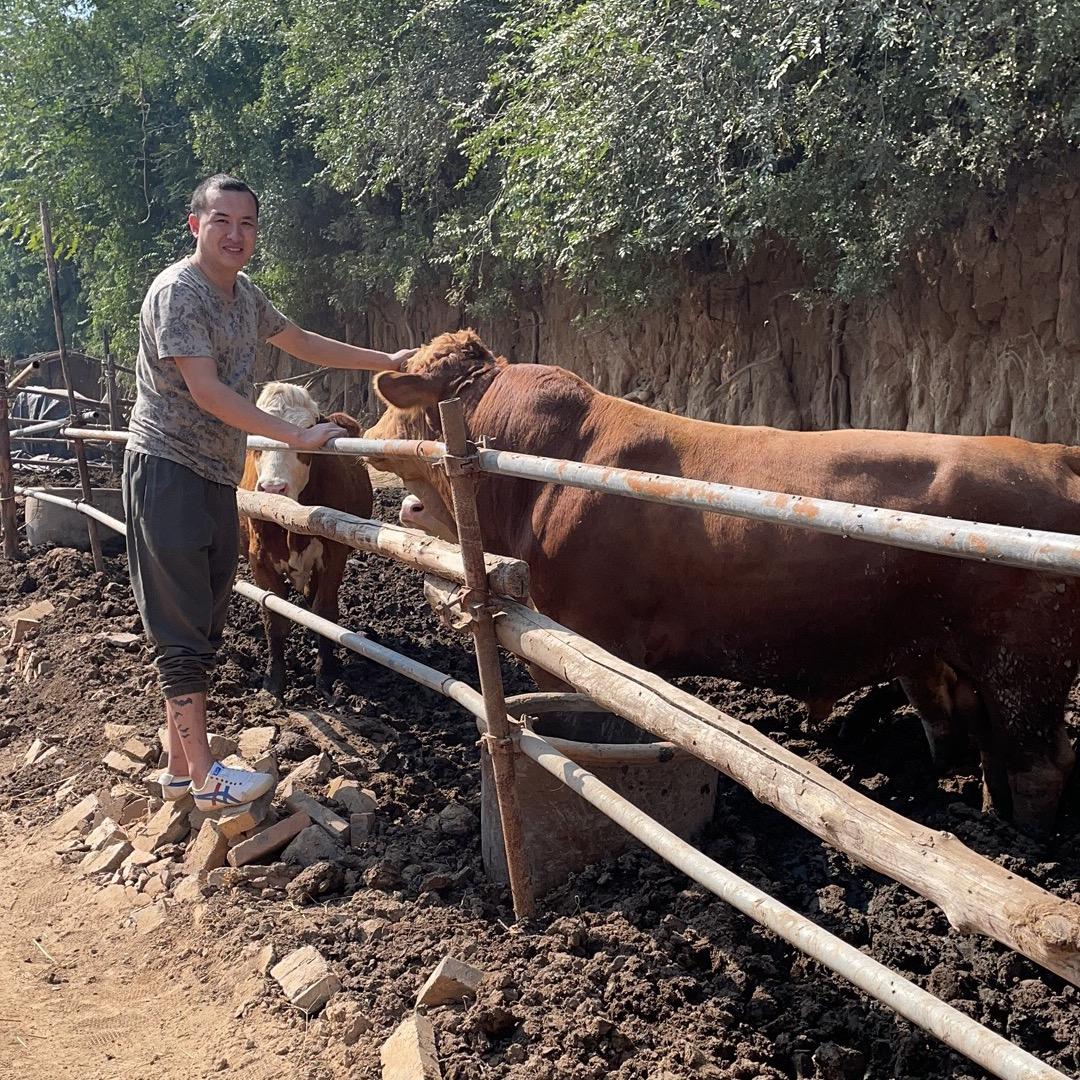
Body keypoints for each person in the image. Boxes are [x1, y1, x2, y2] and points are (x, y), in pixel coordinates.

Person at [124, 173, 414, 812]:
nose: (236, 234)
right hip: (168, 471)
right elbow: (208, 392)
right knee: (179, 627)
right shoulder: (179, 293)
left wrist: (385, 362)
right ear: (195, 225)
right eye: (222, 220)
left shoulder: (244, 295)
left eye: (247, 223)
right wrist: (292, 433)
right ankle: (205, 779)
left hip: (216, 475)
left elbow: (303, 342)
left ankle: (178, 768)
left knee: (205, 615)